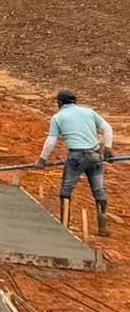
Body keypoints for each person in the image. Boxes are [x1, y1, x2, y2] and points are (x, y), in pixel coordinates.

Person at [38, 89, 115, 237]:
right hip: (96, 155)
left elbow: (51, 140)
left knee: (66, 190)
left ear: (59, 103)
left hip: (77, 157)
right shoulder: (89, 112)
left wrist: (42, 160)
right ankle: (102, 228)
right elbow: (107, 128)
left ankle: (65, 227)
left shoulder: (58, 117)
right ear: (75, 102)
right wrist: (108, 149)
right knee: (99, 190)